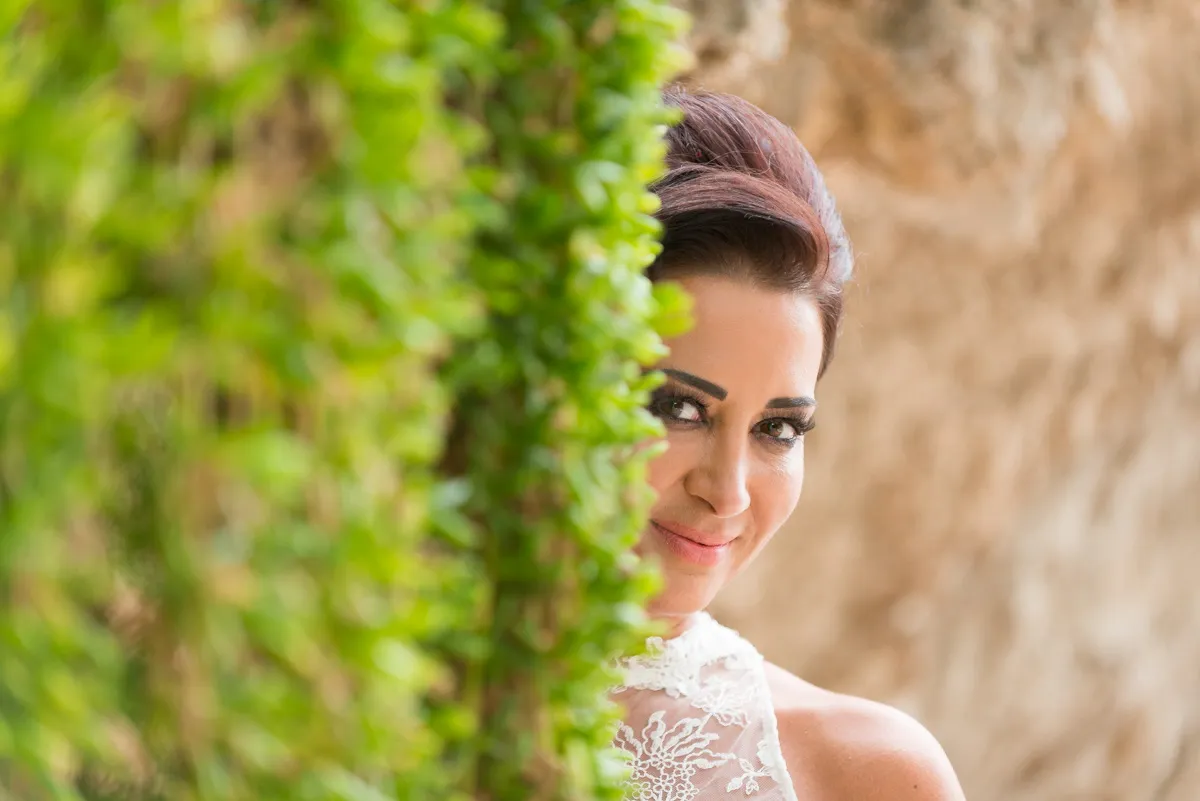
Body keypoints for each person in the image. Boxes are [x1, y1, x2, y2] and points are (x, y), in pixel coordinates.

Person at [610, 86, 967, 801]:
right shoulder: (367, 680)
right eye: (678, 407)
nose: (729, 489)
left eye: (778, 428)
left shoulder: (867, 775)